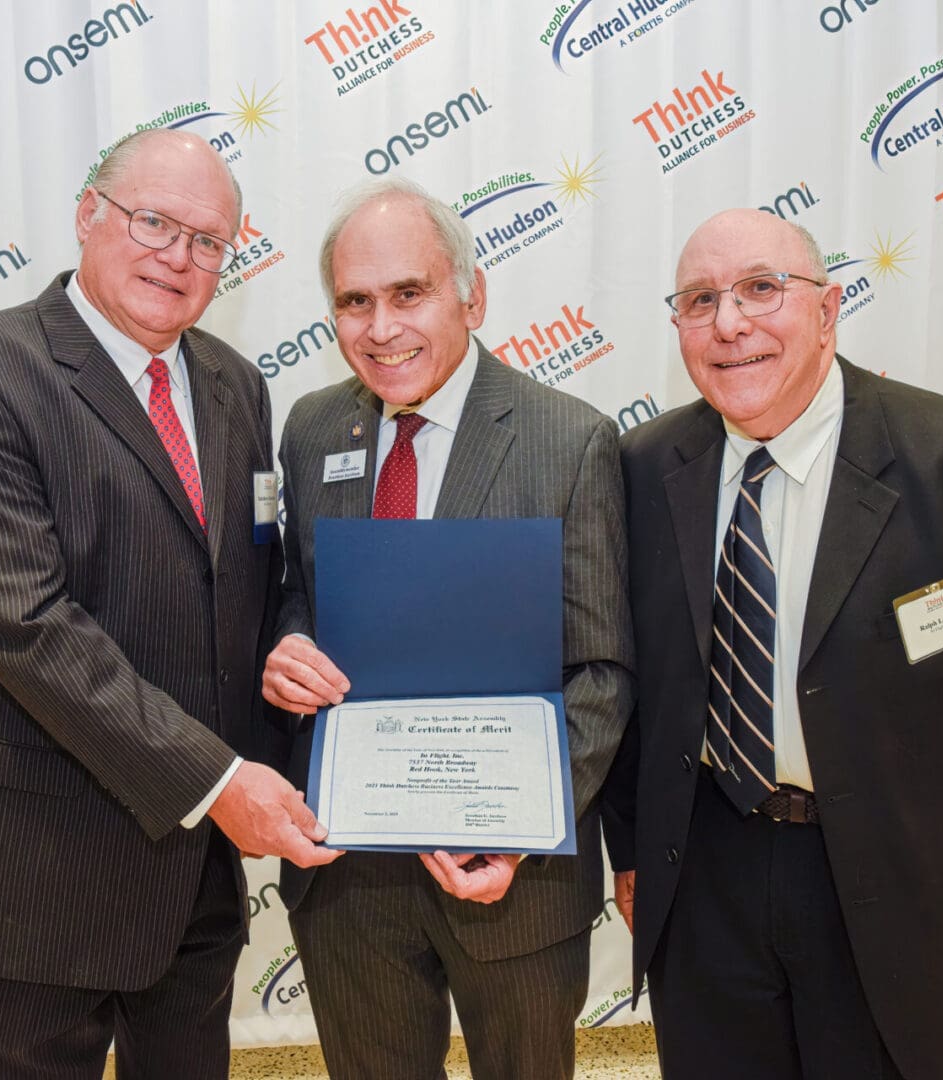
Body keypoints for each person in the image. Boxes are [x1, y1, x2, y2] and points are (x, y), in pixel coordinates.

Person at [601, 208, 943, 1080]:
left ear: (827, 308)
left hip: (909, 883)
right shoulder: (639, 470)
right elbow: (628, 686)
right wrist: (630, 849)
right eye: (699, 300)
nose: (730, 324)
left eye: (761, 289)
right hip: (705, 878)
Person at [0, 128, 338, 1080]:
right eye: (154, 222)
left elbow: (256, 574)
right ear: (88, 214)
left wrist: (287, 642)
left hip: (194, 875)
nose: (179, 257)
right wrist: (221, 782)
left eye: (208, 241)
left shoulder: (232, 383)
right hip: (41, 862)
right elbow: (27, 626)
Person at [259, 177, 634, 1080]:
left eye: (408, 294)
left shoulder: (568, 439)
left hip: (510, 874)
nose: (380, 327)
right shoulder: (313, 429)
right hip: (347, 867)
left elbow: (602, 669)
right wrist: (288, 647)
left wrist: (513, 824)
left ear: (471, 295)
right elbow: (297, 590)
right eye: (354, 301)